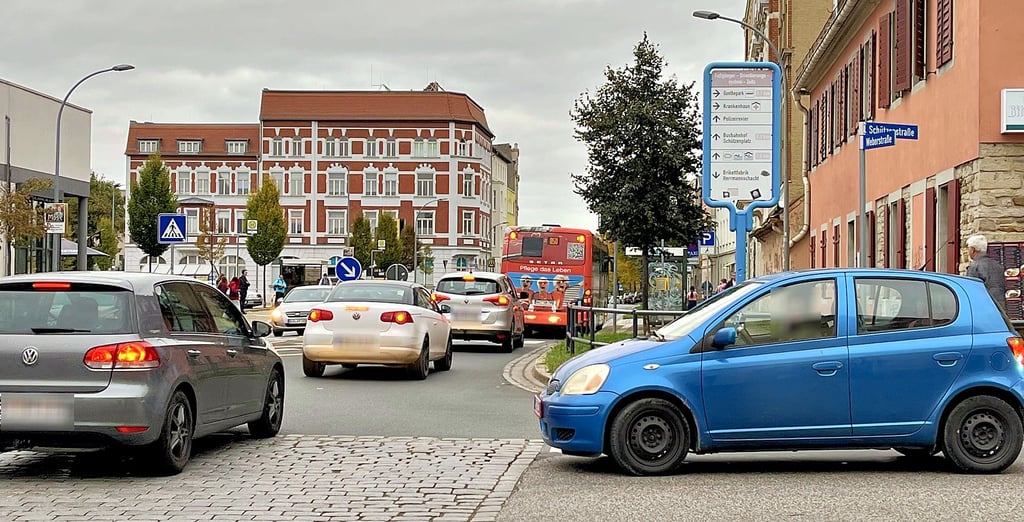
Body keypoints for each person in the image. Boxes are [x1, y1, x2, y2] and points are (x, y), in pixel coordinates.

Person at [965, 234, 1007, 312]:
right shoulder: (998, 266)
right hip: (1000, 310)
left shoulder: (974, 267)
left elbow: (971, 292)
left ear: (972, 250)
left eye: (968, 248)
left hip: (982, 310)